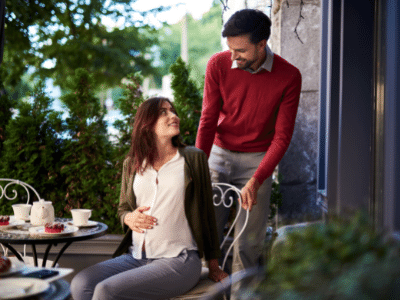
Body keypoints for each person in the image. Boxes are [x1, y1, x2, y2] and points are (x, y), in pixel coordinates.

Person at [71, 97, 228, 300]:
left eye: (173, 111)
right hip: (136, 257)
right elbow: (123, 209)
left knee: (105, 291)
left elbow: (207, 212)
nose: (174, 116)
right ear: (147, 124)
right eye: (163, 112)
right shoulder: (132, 163)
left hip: (179, 260)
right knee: (80, 284)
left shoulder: (193, 158)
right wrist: (128, 218)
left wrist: (214, 266)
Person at [195, 8, 302, 295]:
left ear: (261, 44)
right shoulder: (218, 65)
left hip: (258, 161)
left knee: (248, 243)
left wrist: (257, 179)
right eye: (230, 49)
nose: (233, 57)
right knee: (208, 236)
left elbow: (282, 137)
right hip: (219, 154)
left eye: (240, 51)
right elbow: (207, 120)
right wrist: (196, 166)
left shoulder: (289, 76)